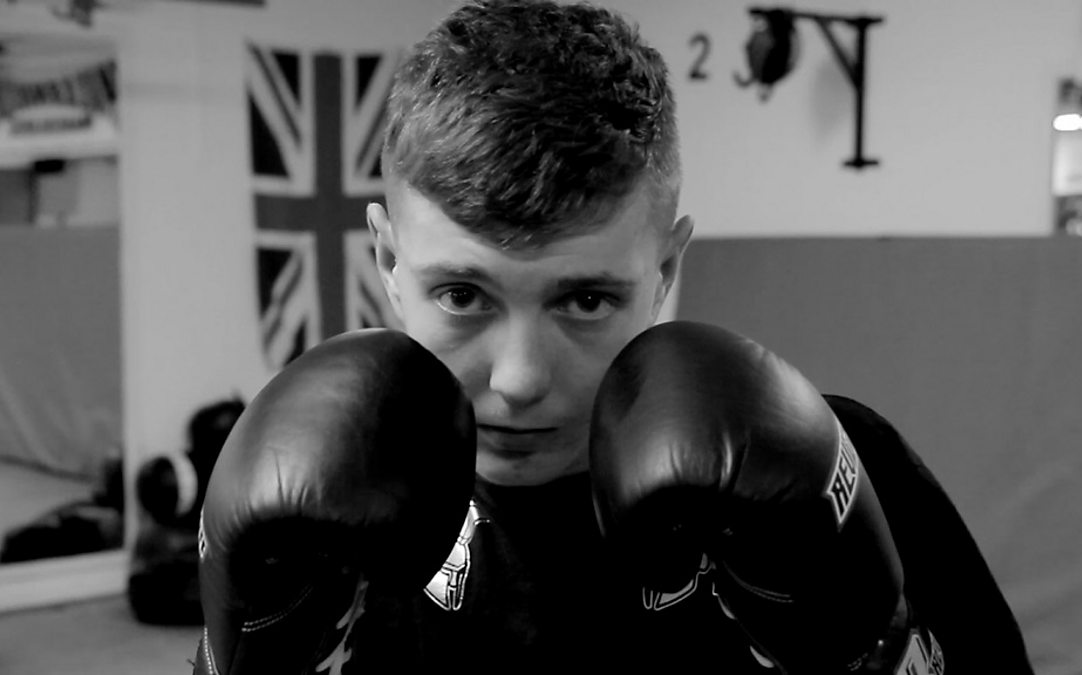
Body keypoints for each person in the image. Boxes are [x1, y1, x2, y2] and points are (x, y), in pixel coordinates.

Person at [193, 1, 1033, 672]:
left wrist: (873, 655)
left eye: (585, 299)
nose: (520, 378)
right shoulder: (303, 507)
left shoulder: (839, 468)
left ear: (664, 267)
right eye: (462, 295)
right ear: (387, 258)